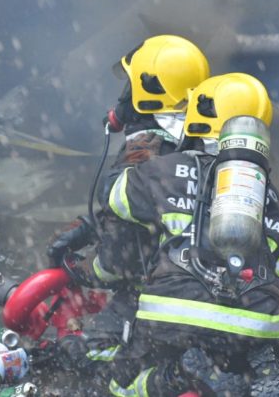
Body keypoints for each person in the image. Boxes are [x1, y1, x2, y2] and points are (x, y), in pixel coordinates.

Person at [100, 73, 279, 396]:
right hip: (254, 322)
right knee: (274, 367)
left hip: (173, 313)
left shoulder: (165, 169)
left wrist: (134, 155)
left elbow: (115, 200)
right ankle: (275, 375)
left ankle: (170, 377)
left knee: (121, 384)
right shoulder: (268, 195)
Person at [44, 35, 210, 370]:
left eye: (131, 88)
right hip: (217, 296)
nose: (123, 100)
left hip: (161, 303)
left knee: (85, 359)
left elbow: (120, 263)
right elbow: (167, 214)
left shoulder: (142, 157)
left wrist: (83, 270)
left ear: (147, 93)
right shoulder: (204, 144)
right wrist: (93, 226)